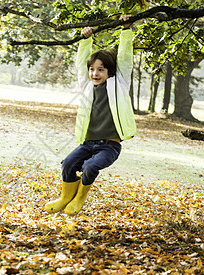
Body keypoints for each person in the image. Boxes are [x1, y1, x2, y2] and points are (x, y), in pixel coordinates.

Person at [45, 15, 136, 216]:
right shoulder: (86, 86)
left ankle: (79, 198)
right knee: (68, 164)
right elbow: (80, 66)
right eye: (92, 69)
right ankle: (65, 197)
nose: (95, 74)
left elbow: (126, 59)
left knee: (90, 166)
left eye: (100, 70)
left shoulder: (118, 84)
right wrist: (85, 40)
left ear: (110, 71)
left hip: (109, 145)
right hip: (87, 143)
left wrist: (126, 30)